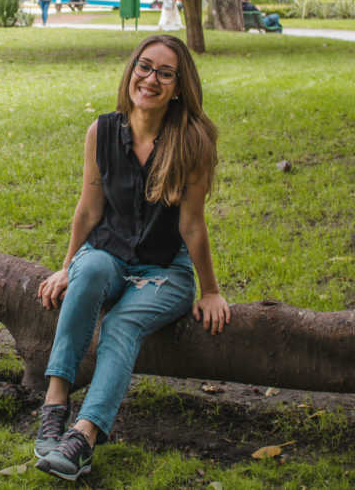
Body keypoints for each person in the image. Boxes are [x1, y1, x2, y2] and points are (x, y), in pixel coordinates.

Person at [34, 34, 230, 481]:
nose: (151, 79)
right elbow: (88, 210)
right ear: (131, 71)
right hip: (107, 253)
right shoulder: (101, 132)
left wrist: (212, 290)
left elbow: (192, 226)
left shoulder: (193, 142)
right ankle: (54, 404)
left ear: (179, 87)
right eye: (144, 66)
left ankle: (81, 439)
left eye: (165, 73)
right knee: (91, 272)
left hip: (164, 272)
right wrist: (67, 265)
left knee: (121, 324)